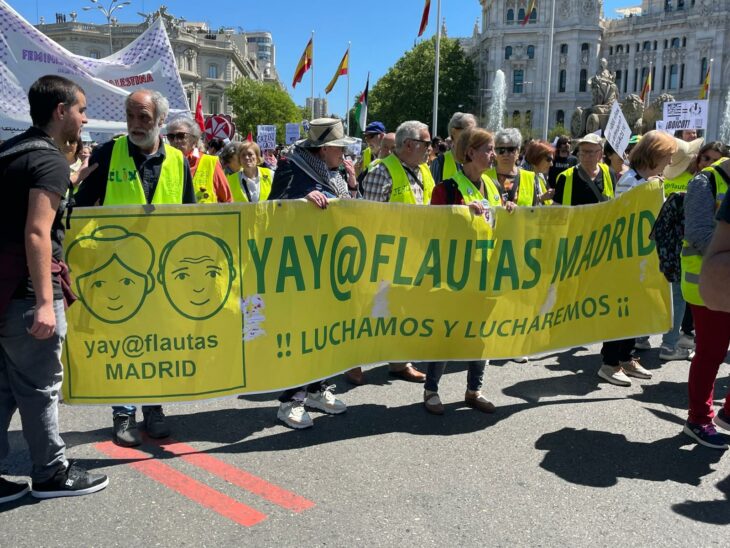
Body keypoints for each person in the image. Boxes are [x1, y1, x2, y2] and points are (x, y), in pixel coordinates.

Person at [0, 75, 108, 502]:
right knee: (42, 386)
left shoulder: (11, 150)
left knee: (5, 386)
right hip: (27, 295)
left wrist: (70, 182)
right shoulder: (48, 161)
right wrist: (46, 302)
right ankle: (50, 473)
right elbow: (37, 233)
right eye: (80, 110)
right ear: (61, 111)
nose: (84, 119)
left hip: (4, 290)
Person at [75, 89, 195, 447]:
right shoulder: (107, 153)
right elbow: (82, 208)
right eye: (130, 116)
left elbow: (191, 214)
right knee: (124, 343)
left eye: (143, 117)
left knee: (157, 342)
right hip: (117, 270)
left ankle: (154, 408)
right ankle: (123, 413)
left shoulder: (177, 160)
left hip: (161, 270)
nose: (136, 124)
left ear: (160, 120)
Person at [267, 118, 356, 429]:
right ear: (323, 149)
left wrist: (353, 186)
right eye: (340, 147)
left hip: (330, 265)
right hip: (301, 266)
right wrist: (300, 202)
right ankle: (291, 400)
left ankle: (318, 388)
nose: (344, 153)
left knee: (326, 331)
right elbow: (271, 209)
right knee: (304, 334)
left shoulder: (337, 173)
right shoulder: (292, 167)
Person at [554, 133, 653, 386]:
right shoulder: (566, 177)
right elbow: (556, 215)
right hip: (579, 247)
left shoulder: (610, 174)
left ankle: (624, 356)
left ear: (602, 153)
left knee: (616, 300)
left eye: (593, 151)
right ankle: (609, 359)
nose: (589, 156)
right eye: (584, 152)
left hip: (606, 247)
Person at [422, 127, 500, 415]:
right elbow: (434, 228)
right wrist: (461, 213)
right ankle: (431, 390)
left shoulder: (492, 187)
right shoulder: (447, 188)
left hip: (485, 271)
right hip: (453, 273)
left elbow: (498, 223)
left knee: (480, 333)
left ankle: (474, 390)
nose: (494, 155)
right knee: (448, 332)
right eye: (489, 149)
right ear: (470, 152)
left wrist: (511, 212)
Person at [360, 120, 435, 383]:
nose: (430, 148)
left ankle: (399, 362)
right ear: (409, 145)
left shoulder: (425, 170)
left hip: (415, 254)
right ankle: (352, 360)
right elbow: (367, 217)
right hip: (386, 255)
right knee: (373, 309)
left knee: (405, 310)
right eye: (426, 143)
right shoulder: (382, 171)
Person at [614, 132, 689, 361]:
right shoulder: (633, 182)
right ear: (655, 155)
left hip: (642, 252)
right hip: (636, 254)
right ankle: (620, 358)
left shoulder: (643, 181)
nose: (669, 162)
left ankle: (628, 352)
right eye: (667, 156)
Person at [681, 157, 730, 449]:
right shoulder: (705, 181)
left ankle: (727, 415)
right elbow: (698, 233)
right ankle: (698, 419)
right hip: (706, 283)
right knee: (711, 353)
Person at [165, 116, 232, 203]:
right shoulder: (164, 164)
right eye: (171, 137)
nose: (175, 141)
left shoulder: (211, 163)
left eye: (181, 136)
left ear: (194, 141)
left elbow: (228, 201)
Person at [484, 128, 553, 209]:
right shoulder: (484, 176)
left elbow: (534, 211)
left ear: (518, 151)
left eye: (511, 150)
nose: (505, 154)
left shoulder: (530, 177)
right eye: (501, 150)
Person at [430, 112, 477, 184]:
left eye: (475, 131)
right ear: (454, 132)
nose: (473, 135)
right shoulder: (439, 163)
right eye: (469, 131)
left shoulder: (478, 160)